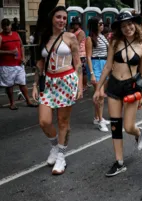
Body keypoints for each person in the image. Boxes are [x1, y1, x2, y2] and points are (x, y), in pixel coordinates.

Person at [93, 12, 142, 177]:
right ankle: (119, 162)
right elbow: (108, 67)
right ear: (120, 29)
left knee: (128, 127)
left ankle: (139, 133)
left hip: (131, 87)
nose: (128, 28)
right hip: (114, 86)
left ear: (135, 25)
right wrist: (98, 89)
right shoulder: (114, 43)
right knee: (115, 126)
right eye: (123, 26)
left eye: (130, 24)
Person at [32, 6, 83, 175]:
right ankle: (54, 146)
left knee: (63, 121)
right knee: (44, 121)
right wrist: (34, 85)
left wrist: (79, 86)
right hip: (48, 83)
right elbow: (40, 63)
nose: (62, 20)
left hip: (66, 81)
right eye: (58, 17)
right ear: (52, 18)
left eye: (64, 18)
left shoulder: (70, 37)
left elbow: (77, 63)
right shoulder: (44, 37)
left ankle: (61, 155)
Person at [0, 18, 37, 110]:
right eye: (4, 27)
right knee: (9, 85)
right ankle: (12, 103)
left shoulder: (16, 34)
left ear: (10, 26)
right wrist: (9, 52)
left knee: (22, 83)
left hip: (18, 64)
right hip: (7, 65)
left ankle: (28, 100)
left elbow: (21, 46)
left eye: (7, 26)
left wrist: (23, 57)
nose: (6, 28)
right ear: (2, 27)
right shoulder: (0, 36)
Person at [86, 17, 110, 132]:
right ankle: (100, 121)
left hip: (104, 65)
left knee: (102, 94)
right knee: (99, 95)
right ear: (94, 25)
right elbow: (88, 57)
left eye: (102, 23)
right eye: (100, 23)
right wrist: (92, 73)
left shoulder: (103, 37)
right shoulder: (89, 38)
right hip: (96, 64)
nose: (102, 25)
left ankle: (97, 117)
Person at [71, 16, 87, 90]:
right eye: (74, 24)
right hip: (75, 54)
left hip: (81, 54)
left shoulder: (81, 32)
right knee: (76, 70)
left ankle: (84, 85)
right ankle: (78, 84)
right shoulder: (73, 32)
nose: (75, 25)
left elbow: (77, 42)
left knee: (82, 71)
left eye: (76, 24)